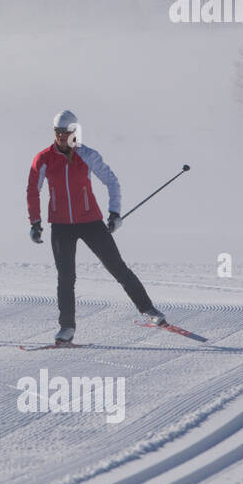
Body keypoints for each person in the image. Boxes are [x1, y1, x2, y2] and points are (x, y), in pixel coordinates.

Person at [26, 109, 165, 344]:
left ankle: (148, 309)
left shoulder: (87, 155)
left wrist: (114, 212)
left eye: (66, 132)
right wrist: (35, 222)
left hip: (90, 221)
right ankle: (67, 328)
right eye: (58, 132)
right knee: (66, 277)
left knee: (117, 267)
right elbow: (32, 190)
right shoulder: (43, 158)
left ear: (75, 132)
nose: (61, 136)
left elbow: (111, 181)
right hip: (60, 225)